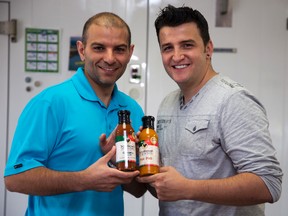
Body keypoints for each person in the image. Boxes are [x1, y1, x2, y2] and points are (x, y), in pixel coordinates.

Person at [137, 4, 283, 216]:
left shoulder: (233, 100)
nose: (176, 56)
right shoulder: (167, 104)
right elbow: (166, 189)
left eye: (187, 45)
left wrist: (187, 188)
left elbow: (268, 184)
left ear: (208, 49)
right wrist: (137, 162)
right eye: (168, 47)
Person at [4, 12, 146, 216]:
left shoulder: (132, 110)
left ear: (130, 52)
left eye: (119, 49)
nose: (109, 58)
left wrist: (117, 160)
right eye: (99, 48)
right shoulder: (50, 103)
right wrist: (85, 179)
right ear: (82, 50)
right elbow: (15, 178)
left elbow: (138, 189)